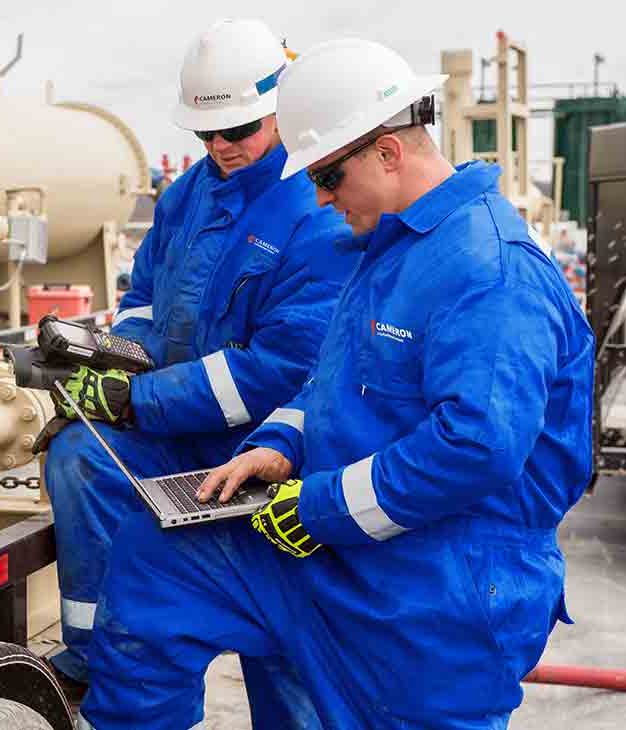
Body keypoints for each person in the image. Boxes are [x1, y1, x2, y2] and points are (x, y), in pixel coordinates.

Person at [76, 38, 594, 730]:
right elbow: (332, 382)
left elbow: (475, 448)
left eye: (328, 176)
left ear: (388, 153)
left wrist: (319, 508)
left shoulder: (488, 271)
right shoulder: (389, 247)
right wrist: (280, 447)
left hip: (445, 584)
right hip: (350, 552)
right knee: (160, 557)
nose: (318, 198)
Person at [41, 19, 354, 727]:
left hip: (269, 443)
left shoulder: (320, 206)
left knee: (285, 639)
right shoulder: (189, 194)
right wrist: (116, 361)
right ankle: (95, 657)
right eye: (205, 134)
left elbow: (279, 371)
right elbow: (144, 293)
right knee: (82, 455)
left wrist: (137, 399)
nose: (220, 147)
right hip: (174, 423)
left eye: (237, 129)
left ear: (283, 102)